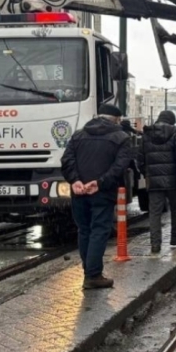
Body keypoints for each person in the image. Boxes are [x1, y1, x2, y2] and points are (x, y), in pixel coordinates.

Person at [61, 103, 135, 290]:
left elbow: (67, 160)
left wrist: (75, 181)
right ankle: (93, 275)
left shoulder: (78, 135)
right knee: (99, 230)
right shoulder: (121, 138)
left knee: (84, 230)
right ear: (117, 120)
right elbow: (120, 167)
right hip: (102, 192)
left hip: (79, 192)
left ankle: (89, 272)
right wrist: (100, 183)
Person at [139, 110, 176, 254]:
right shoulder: (175, 132)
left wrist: (147, 173)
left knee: (155, 212)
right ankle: (175, 237)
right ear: (171, 121)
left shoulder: (146, 134)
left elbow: (140, 158)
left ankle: (155, 244)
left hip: (154, 181)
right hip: (174, 180)